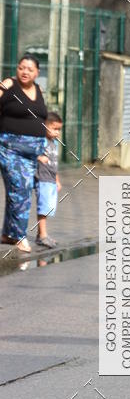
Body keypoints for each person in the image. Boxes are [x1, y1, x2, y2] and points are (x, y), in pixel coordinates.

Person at [0, 55, 59, 254]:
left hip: (32, 153)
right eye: (21, 67)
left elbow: (41, 118)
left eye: (30, 69)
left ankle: (8, 234)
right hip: (10, 149)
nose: (25, 72)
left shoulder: (39, 90)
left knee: (17, 191)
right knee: (21, 190)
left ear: (37, 73)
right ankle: (19, 236)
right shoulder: (9, 84)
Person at [34, 111, 63, 248]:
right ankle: (43, 236)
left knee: (48, 207)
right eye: (54, 128)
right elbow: (31, 152)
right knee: (44, 208)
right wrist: (39, 157)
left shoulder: (54, 143)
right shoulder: (41, 141)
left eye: (59, 129)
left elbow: (54, 164)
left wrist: (57, 180)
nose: (57, 132)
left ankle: (40, 235)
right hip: (42, 179)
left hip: (51, 180)